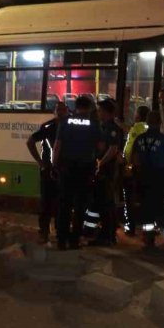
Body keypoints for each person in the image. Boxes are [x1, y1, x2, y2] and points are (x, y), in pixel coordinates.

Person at [53, 95, 102, 250]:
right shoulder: (94, 124)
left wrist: (55, 165)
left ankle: (61, 240)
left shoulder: (65, 122)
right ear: (89, 108)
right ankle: (75, 240)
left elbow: (57, 146)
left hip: (66, 167)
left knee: (64, 204)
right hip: (85, 169)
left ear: (76, 107)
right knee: (80, 205)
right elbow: (100, 147)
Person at [26, 101, 68, 244]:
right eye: (58, 109)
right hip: (50, 170)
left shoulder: (68, 126)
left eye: (63, 109)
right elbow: (30, 141)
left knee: (61, 203)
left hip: (63, 170)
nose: (60, 112)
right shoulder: (48, 127)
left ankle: (59, 232)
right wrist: (40, 162)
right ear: (54, 112)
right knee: (47, 202)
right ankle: (45, 231)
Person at [132, 110, 164, 245]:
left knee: (146, 207)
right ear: (160, 122)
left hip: (144, 177)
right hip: (161, 177)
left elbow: (135, 159)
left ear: (147, 122)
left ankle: (148, 237)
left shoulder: (139, 139)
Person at [89, 98, 123, 247]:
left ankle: (106, 235)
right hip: (104, 170)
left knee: (105, 203)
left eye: (100, 110)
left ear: (106, 112)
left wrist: (100, 163)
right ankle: (108, 234)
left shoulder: (112, 128)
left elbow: (113, 149)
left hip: (106, 171)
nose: (98, 113)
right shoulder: (103, 126)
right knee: (104, 202)